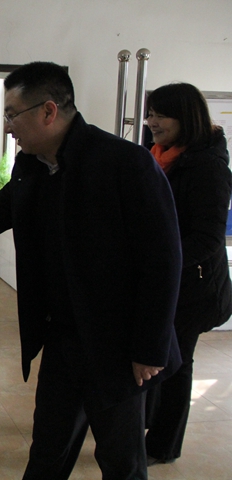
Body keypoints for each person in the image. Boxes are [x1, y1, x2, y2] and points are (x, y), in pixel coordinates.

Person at [0, 62, 183, 479]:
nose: (7, 126)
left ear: (48, 111)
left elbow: (163, 260)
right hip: (63, 338)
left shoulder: (123, 163)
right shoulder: (32, 166)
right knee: (47, 451)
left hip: (117, 346)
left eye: (12, 114)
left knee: (121, 462)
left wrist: (150, 349)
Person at [144, 83, 232, 466]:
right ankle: (148, 425)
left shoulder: (208, 166)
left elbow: (208, 239)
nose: (152, 122)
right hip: (168, 280)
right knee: (157, 356)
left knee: (177, 364)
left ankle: (163, 446)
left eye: (161, 115)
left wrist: (161, 262)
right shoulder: (159, 156)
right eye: (150, 114)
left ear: (187, 117)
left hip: (194, 287)